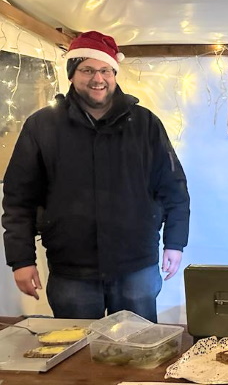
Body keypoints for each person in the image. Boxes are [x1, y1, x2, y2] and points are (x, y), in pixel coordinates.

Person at [2, 31, 190, 322]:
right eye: (87, 70)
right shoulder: (42, 126)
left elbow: (174, 188)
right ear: (72, 74)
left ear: (114, 73)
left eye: (104, 70)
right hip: (71, 270)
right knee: (77, 357)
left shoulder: (145, 124)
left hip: (136, 265)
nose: (97, 79)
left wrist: (175, 242)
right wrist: (21, 260)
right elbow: (18, 199)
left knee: (139, 354)